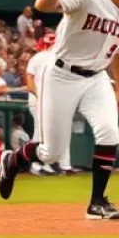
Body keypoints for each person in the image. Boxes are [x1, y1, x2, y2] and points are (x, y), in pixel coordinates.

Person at [0, 0, 119, 219]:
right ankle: (13, 160)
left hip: (98, 77)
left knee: (109, 133)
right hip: (62, 75)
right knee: (50, 153)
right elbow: (42, 4)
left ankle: (97, 203)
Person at [25, 32, 70, 174]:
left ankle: (49, 164)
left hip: (47, 100)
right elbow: (29, 80)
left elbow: (29, 79)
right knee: (41, 133)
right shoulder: (45, 57)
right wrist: (40, 95)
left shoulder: (42, 57)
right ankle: (37, 165)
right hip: (39, 101)